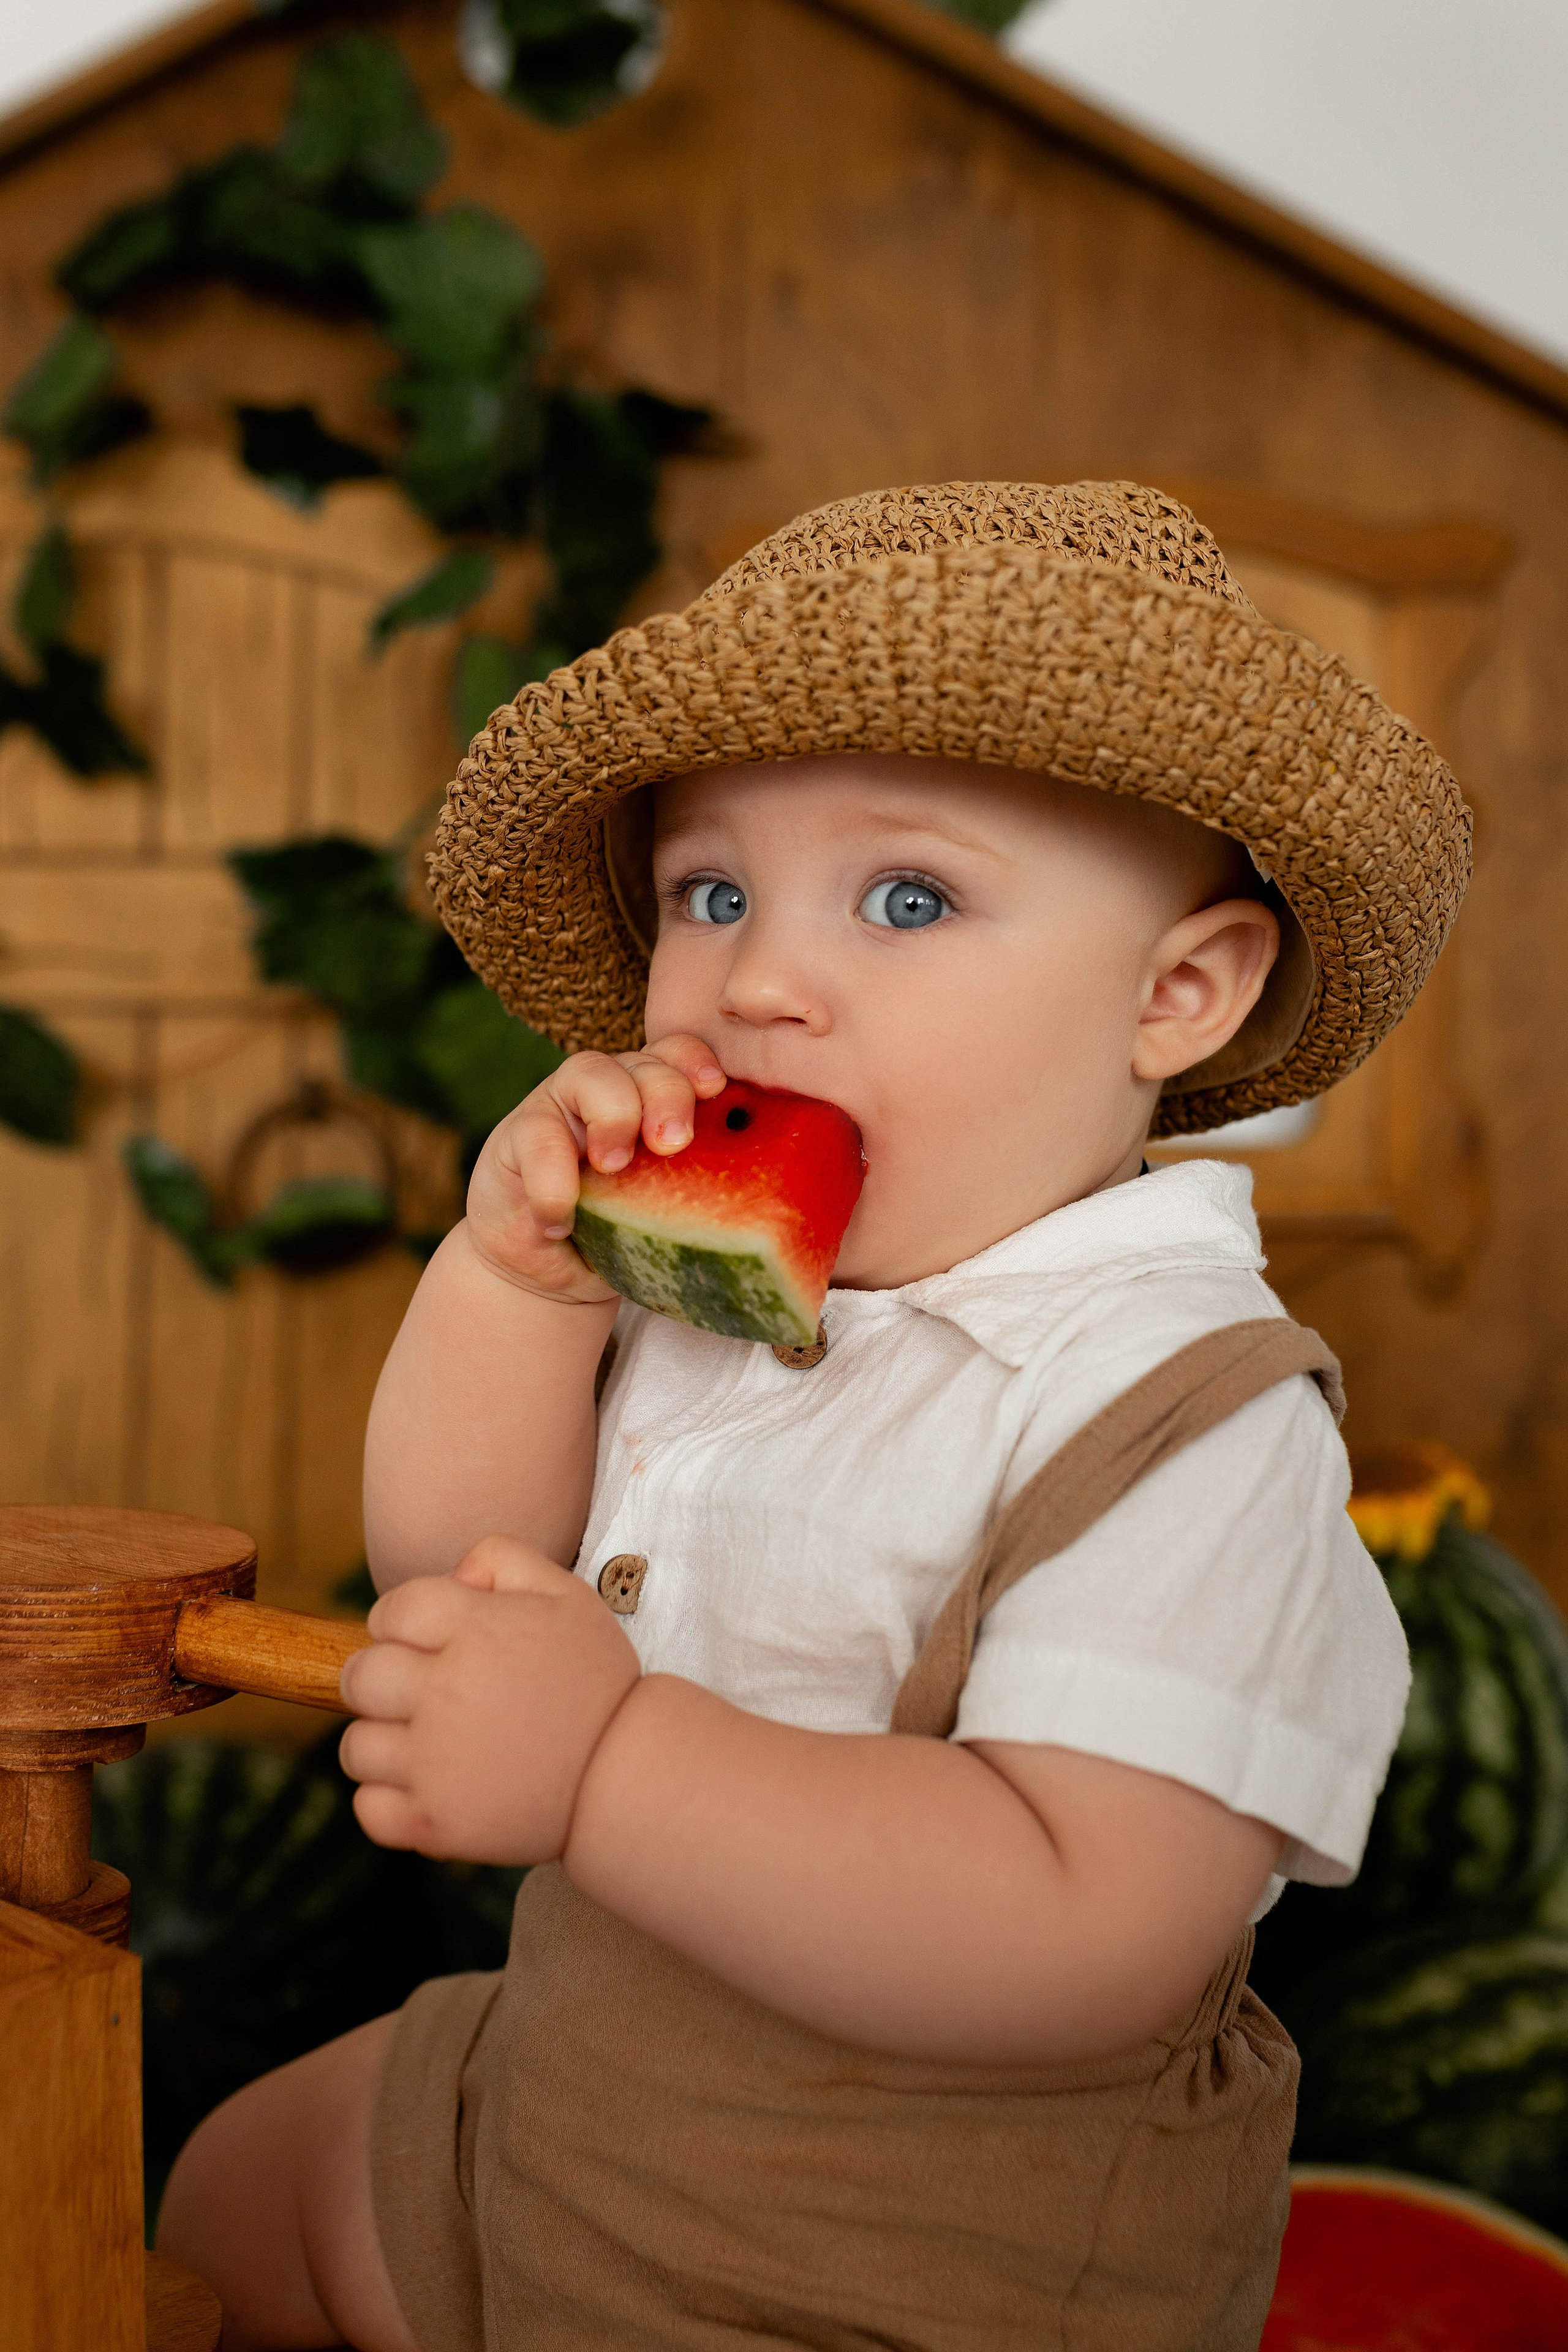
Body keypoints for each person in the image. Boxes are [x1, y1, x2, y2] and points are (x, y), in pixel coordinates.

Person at [158, 481, 1471, 2351]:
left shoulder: (1192, 1421)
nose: (758, 978)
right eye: (713, 892)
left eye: (910, 896)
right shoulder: (749, 1291)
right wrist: (517, 1298)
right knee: (234, 2186)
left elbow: (1084, 1922)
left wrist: (606, 1771)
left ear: (1179, 994)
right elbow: (467, 1586)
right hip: (572, 2093)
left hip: (898, 2259)